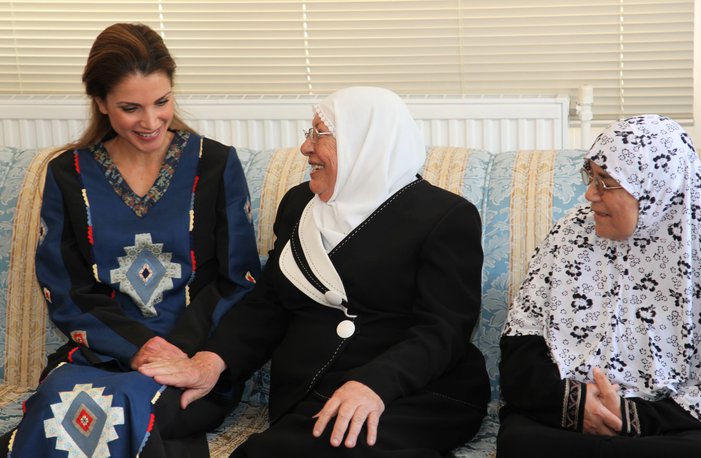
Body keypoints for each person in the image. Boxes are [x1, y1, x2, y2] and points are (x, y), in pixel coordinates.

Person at [140, 86, 490, 457]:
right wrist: (211, 361)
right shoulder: (299, 204)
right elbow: (268, 305)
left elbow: (444, 330)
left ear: (364, 142)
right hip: (313, 389)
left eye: (319, 134)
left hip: (415, 390)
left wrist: (374, 385)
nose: (305, 147)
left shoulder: (445, 217)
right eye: (309, 133)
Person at [0, 23, 261, 457]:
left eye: (162, 102)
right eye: (130, 108)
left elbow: (240, 280)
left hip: (191, 363)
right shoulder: (68, 174)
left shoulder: (215, 164)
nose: (151, 121)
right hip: (100, 356)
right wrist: (135, 346)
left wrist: (175, 352)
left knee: (113, 409)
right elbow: (64, 289)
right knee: (62, 406)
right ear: (101, 103)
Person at [497, 114, 701, 457]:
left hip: (664, 425)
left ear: (655, 188)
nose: (590, 194)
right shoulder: (570, 234)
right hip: (563, 415)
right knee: (521, 442)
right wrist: (575, 403)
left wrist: (629, 417)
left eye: (606, 182)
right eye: (591, 176)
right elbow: (520, 342)